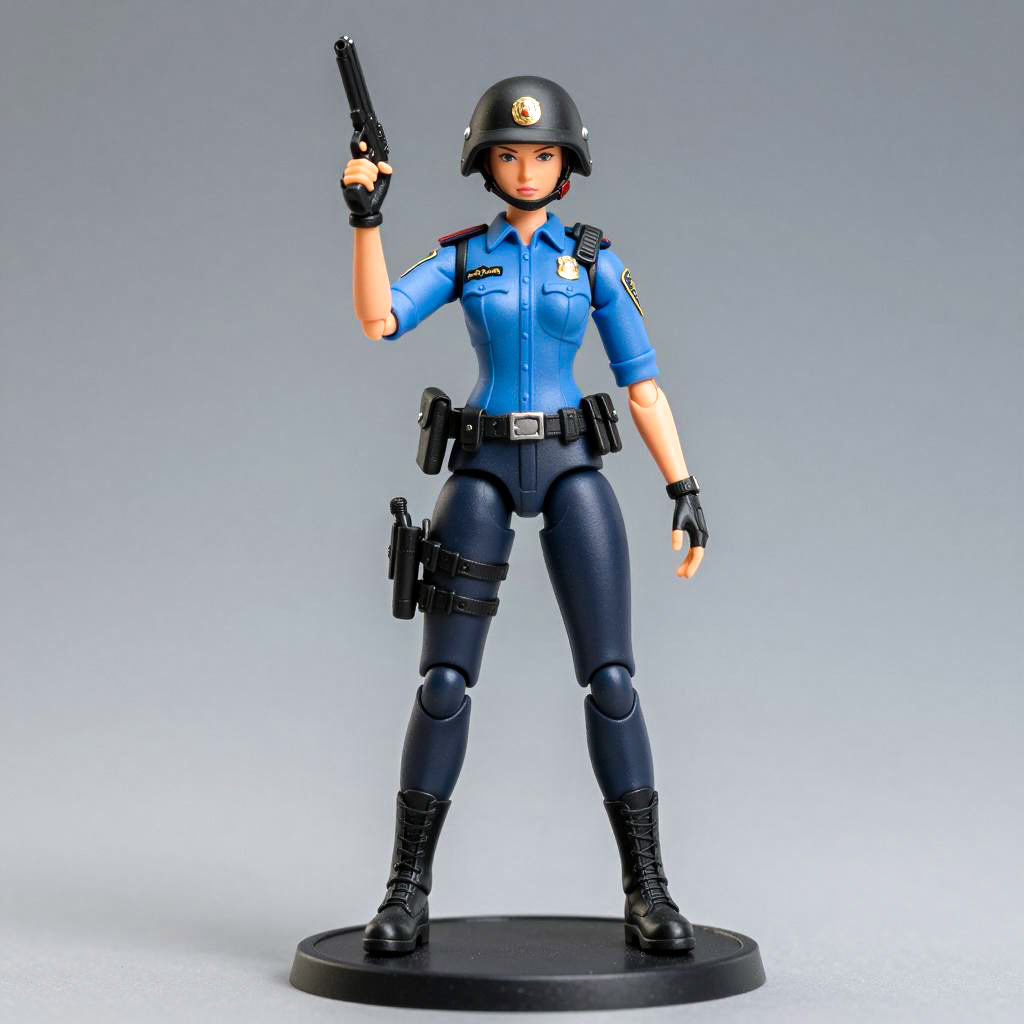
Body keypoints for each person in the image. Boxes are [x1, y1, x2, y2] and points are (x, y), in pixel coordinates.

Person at [341, 76, 709, 956]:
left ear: (566, 162)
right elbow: (379, 319)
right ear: (487, 164)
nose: (528, 169)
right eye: (510, 154)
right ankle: (405, 891)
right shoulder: (467, 257)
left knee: (612, 680)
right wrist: (366, 222)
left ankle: (649, 887)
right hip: (482, 470)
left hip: (574, 467)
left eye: (543, 155)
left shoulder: (595, 262)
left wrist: (683, 487)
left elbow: (643, 385)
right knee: (443, 683)